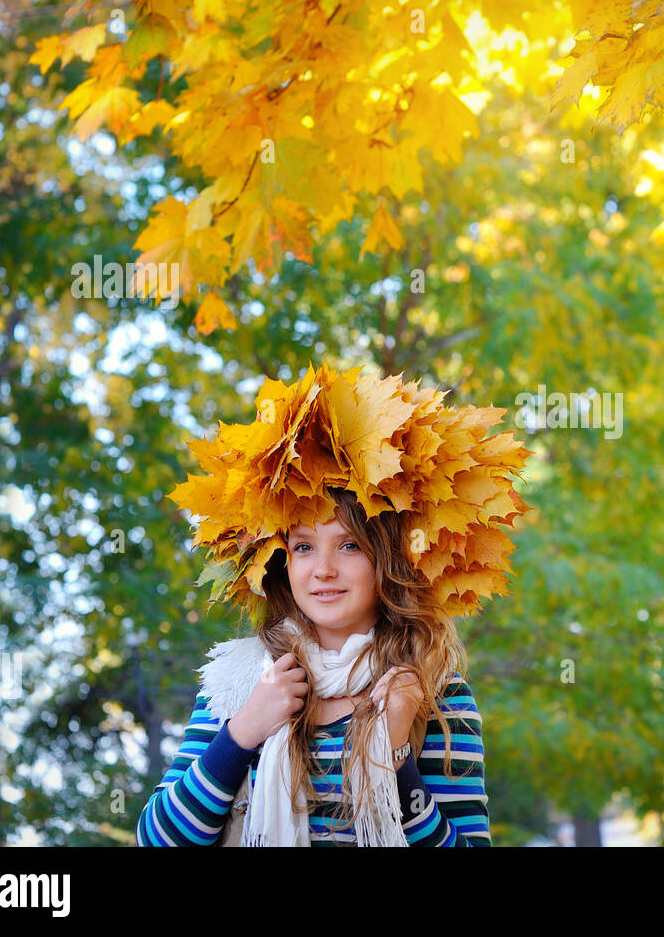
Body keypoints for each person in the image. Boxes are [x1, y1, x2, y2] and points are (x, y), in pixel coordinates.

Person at [136, 359, 531, 847]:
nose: (322, 569)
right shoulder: (239, 684)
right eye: (303, 547)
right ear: (283, 564)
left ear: (385, 560)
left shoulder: (435, 694)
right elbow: (156, 840)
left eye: (348, 545)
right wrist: (242, 733)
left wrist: (396, 760)